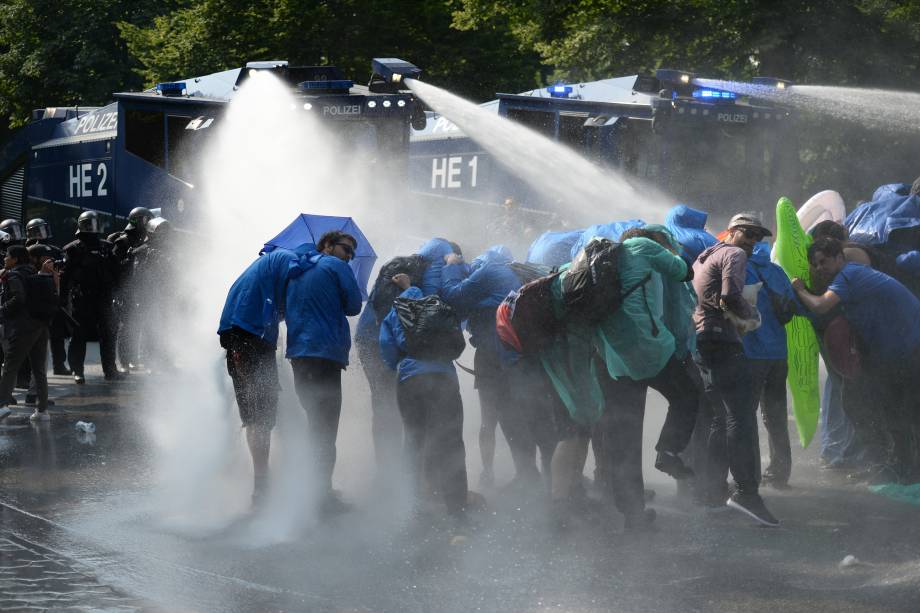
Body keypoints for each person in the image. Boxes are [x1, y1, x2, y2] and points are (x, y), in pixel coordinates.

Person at [590, 226, 698, 530]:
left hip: (614, 360)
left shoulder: (602, 259)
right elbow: (683, 272)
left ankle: (632, 514)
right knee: (687, 395)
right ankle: (668, 450)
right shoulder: (644, 246)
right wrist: (670, 254)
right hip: (649, 349)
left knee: (626, 436)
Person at [792, 237, 920, 483]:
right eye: (814, 264)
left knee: (897, 408)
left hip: (909, 346)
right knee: (876, 403)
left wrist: (799, 290)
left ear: (840, 258)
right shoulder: (854, 275)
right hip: (897, 348)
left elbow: (820, 306)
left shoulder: (848, 276)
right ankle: (894, 463)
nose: (819, 268)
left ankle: (904, 468)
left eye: (824, 262)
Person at [692, 212, 779, 526]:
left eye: (759, 237)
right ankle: (746, 493)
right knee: (740, 418)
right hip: (723, 343)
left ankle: (711, 490)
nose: (755, 242)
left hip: (704, 341)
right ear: (733, 231)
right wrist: (752, 316)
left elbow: (712, 297)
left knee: (721, 417)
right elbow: (730, 296)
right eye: (750, 234)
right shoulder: (734, 254)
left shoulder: (704, 256)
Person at [440, 245, 546, 489]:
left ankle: (492, 472)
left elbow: (453, 296)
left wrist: (451, 267)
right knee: (517, 416)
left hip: (491, 358)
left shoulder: (489, 272)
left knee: (490, 419)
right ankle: (528, 471)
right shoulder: (515, 279)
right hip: (518, 357)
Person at [379, 273, 470, 524]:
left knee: (414, 440)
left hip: (411, 379)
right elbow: (457, 340)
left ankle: (413, 506)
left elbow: (387, 348)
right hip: (444, 377)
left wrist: (402, 363)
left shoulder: (396, 311)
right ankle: (457, 509)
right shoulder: (439, 307)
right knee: (451, 441)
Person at [285, 230, 362, 513]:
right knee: (326, 429)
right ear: (327, 245)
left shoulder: (295, 268)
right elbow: (354, 305)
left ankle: (304, 489)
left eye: (352, 253)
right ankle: (322, 497)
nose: (349, 256)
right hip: (325, 355)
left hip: (298, 355)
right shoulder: (335, 266)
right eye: (346, 249)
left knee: (312, 422)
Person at [219, 246, 303, 505]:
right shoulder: (289, 260)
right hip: (249, 340)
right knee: (261, 416)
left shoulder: (262, 271)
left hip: (241, 339)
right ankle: (261, 486)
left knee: (255, 414)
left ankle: (258, 480)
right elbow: (291, 298)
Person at [741, 242, 798, 488]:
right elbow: (791, 307)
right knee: (775, 415)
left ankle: (749, 475)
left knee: (744, 416)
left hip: (751, 353)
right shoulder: (776, 270)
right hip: (778, 354)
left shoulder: (741, 270)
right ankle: (780, 473)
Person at [61, 211, 121, 383]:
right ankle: (77, 371)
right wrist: (63, 299)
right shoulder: (73, 249)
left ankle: (110, 370)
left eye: (93, 224)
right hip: (82, 299)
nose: (90, 227)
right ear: (81, 226)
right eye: (87, 224)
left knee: (108, 334)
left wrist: (119, 294)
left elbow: (116, 274)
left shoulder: (106, 247)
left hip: (104, 298)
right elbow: (65, 277)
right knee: (79, 336)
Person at [0, 245, 54, 421]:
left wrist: (2, 308)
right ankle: (42, 411)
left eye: (7, 256)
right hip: (40, 325)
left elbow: (19, 298)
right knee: (39, 369)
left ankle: (2, 406)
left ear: (15, 259)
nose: (5, 259)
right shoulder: (33, 272)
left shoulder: (14, 275)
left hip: (22, 328)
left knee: (10, 367)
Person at [108, 207, 153, 372]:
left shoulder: (145, 241)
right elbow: (113, 267)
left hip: (142, 289)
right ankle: (125, 362)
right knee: (127, 326)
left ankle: (136, 358)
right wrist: (130, 258)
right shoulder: (122, 241)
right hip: (126, 291)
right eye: (145, 220)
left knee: (141, 324)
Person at [25, 218, 70, 376]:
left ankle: (59, 364)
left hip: (52, 294)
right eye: (37, 231)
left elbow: (63, 271)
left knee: (57, 333)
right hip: (36, 296)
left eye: (43, 230)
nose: (41, 234)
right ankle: (30, 370)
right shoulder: (26, 251)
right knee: (34, 335)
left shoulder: (55, 250)